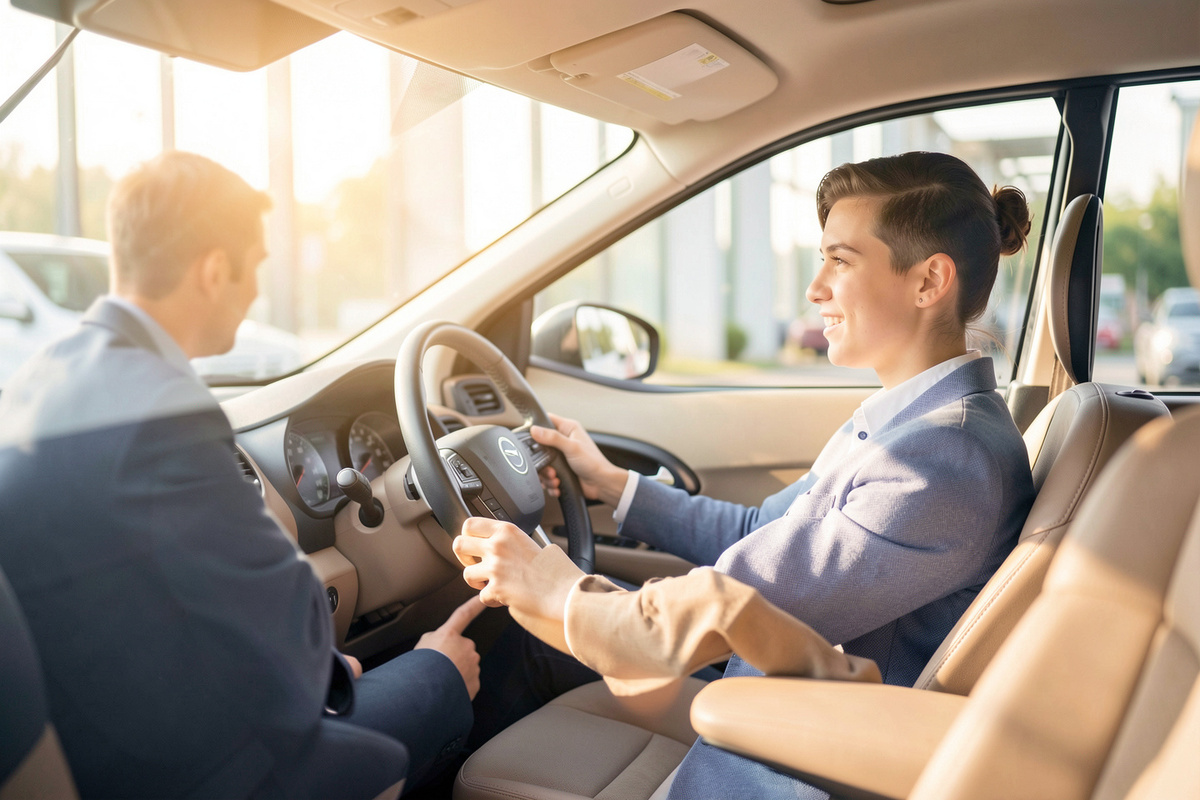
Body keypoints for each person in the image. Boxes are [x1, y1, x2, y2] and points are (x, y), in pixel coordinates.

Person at [453, 151, 1038, 799]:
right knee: (520, 639)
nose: (815, 288)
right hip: (775, 703)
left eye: (840, 261)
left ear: (929, 283)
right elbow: (765, 530)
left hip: (793, 759)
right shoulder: (911, 422)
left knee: (511, 632)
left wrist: (556, 587)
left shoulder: (939, 460)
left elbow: (734, 602)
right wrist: (609, 482)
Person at [0, 151, 482, 799]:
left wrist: (321, 664)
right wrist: (362, 668)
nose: (257, 288)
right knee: (449, 670)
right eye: (254, 264)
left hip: (91, 721)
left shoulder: (42, 374)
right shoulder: (163, 406)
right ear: (215, 269)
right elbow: (282, 615)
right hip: (178, 763)